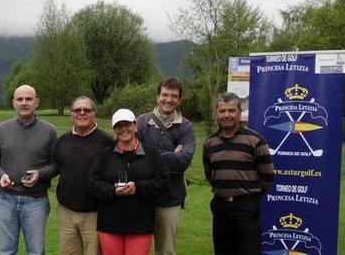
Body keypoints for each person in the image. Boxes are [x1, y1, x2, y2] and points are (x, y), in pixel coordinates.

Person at [0, 84, 58, 255]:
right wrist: (1, 174)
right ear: (13, 103)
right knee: (6, 251)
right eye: (20, 99)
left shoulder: (49, 131)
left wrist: (39, 175)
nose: (24, 103)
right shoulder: (1, 129)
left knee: (36, 251)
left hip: (36, 201)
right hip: (5, 198)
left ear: (36, 102)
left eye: (28, 99)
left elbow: (56, 165)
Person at [88, 108, 170, 255]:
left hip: (141, 224)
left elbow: (163, 180)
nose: (124, 129)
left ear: (135, 126)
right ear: (114, 130)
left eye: (128, 124)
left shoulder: (152, 154)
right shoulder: (105, 155)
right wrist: (112, 191)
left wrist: (138, 187)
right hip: (110, 224)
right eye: (119, 126)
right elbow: (92, 182)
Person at [203, 92, 274, 255]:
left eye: (231, 110)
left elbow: (267, 177)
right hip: (220, 207)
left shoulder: (255, 140)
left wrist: (247, 195)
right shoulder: (210, 142)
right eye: (222, 111)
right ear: (216, 113)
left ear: (240, 113)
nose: (226, 115)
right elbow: (210, 174)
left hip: (246, 207)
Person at [136, 76, 195, 255]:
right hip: (141, 197)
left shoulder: (186, 127)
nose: (168, 99)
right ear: (157, 96)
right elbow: (131, 156)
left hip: (170, 198)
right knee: (136, 249)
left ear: (179, 100)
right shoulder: (140, 122)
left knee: (166, 251)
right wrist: (170, 156)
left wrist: (148, 156)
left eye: (174, 96)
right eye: (165, 94)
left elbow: (183, 161)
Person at [51, 96, 115, 255]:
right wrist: (39, 174)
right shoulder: (63, 141)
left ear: (94, 113)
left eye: (87, 110)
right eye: (77, 110)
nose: (82, 113)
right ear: (71, 114)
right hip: (67, 212)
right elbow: (55, 167)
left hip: (94, 214)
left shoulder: (107, 142)